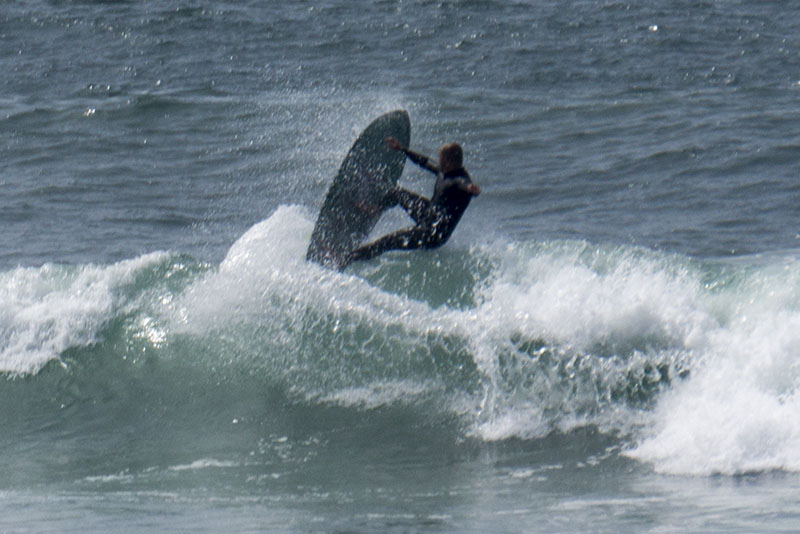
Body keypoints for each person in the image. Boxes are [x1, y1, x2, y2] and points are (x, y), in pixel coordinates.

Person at [345, 137, 481, 266]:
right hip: (429, 214)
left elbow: (464, 184)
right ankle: (375, 210)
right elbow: (424, 161)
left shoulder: (460, 180)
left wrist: (471, 189)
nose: (439, 161)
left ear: (449, 162)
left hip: (433, 233)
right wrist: (402, 149)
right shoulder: (444, 171)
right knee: (396, 192)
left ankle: (347, 258)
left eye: (441, 159)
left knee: (387, 241)